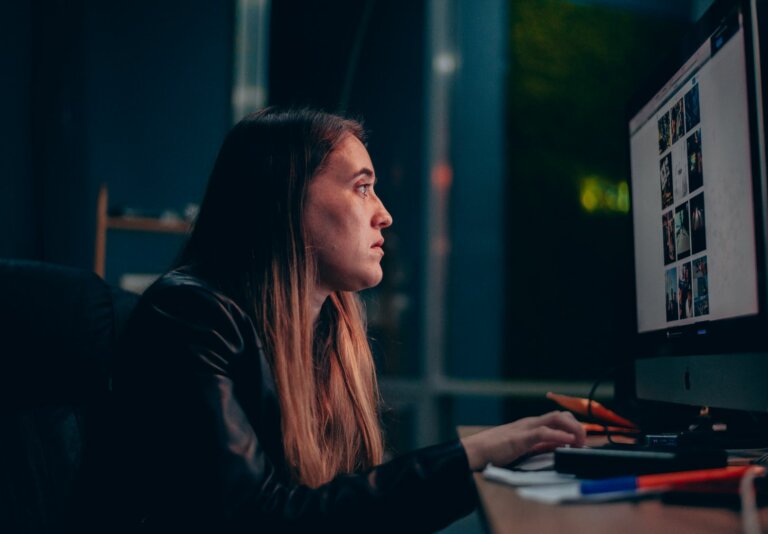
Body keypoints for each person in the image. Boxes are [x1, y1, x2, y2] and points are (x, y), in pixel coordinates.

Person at [111, 107, 585, 532]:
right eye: (362, 188)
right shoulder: (189, 316)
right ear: (284, 200)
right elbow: (257, 520)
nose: (385, 215)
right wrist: (473, 455)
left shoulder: (329, 328)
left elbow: (340, 501)